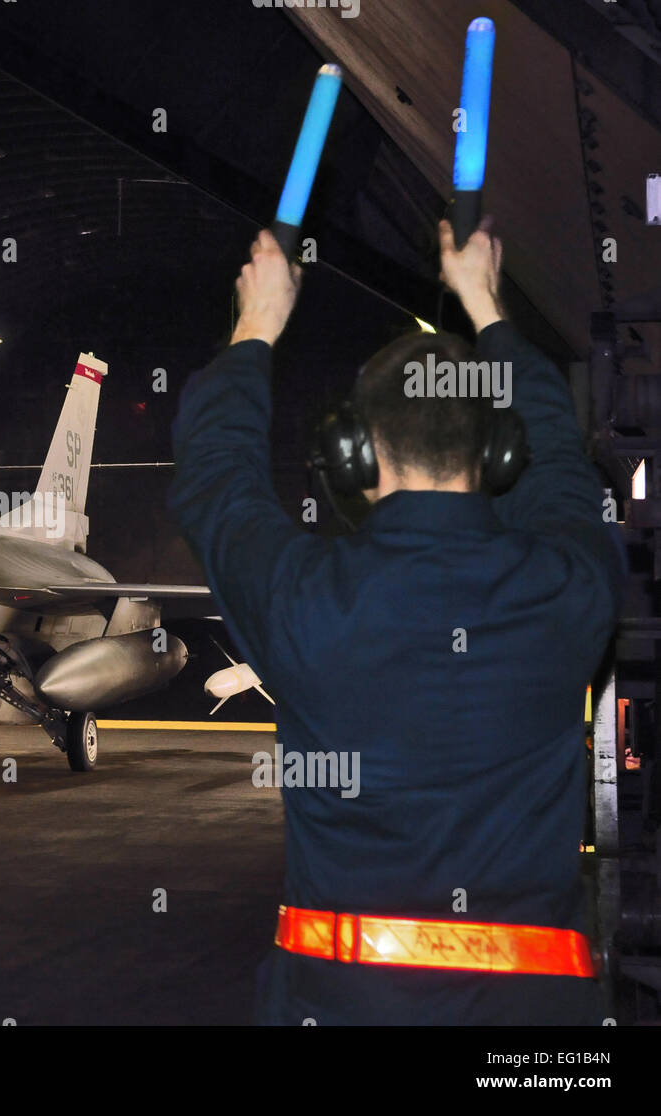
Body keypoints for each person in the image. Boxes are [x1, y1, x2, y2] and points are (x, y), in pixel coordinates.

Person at [169, 219, 625, 1025]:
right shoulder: (567, 587)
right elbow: (559, 461)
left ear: (353, 453)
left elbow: (215, 480)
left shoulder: (302, 599)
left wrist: (256, 325)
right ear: (498, 457)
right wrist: (484, 304)